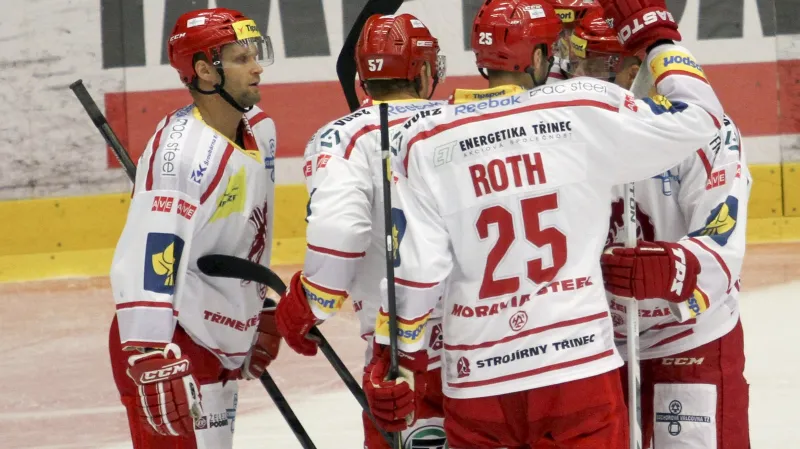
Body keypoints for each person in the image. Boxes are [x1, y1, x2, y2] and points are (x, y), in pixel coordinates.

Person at [363, 0, 728, 447]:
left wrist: (392, 359)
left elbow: (415, 271)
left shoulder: (424, 138)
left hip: (477, 380)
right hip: (575, 370)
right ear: (538, 58)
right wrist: (657, 37)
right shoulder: (582, 108)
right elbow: (702, 118)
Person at [564, 13, 753, 449]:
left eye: (592, 66)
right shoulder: (561, 125)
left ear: (634, 70)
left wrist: (673, 269)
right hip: (593, 344)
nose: (577, 79)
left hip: (687, 336)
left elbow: (724, 245)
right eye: (574, 63)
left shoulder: (706, 131)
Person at [272, 13, 449, 449]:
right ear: (424, 71)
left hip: (405, 352)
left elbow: (340, 233)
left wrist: (308, 303)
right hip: (496, 340)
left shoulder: (339, 138)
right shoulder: (466, 120)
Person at [107, 8, 281, 448]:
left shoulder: (259, 129)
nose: (257, 67)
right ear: (205, 71)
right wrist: (147, 352)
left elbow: (241, 234)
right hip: (171, 345)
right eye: (242, 58)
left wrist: (253, 310)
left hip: (215, 334)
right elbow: (150, 252)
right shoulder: (180, 156)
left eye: (254, 55)